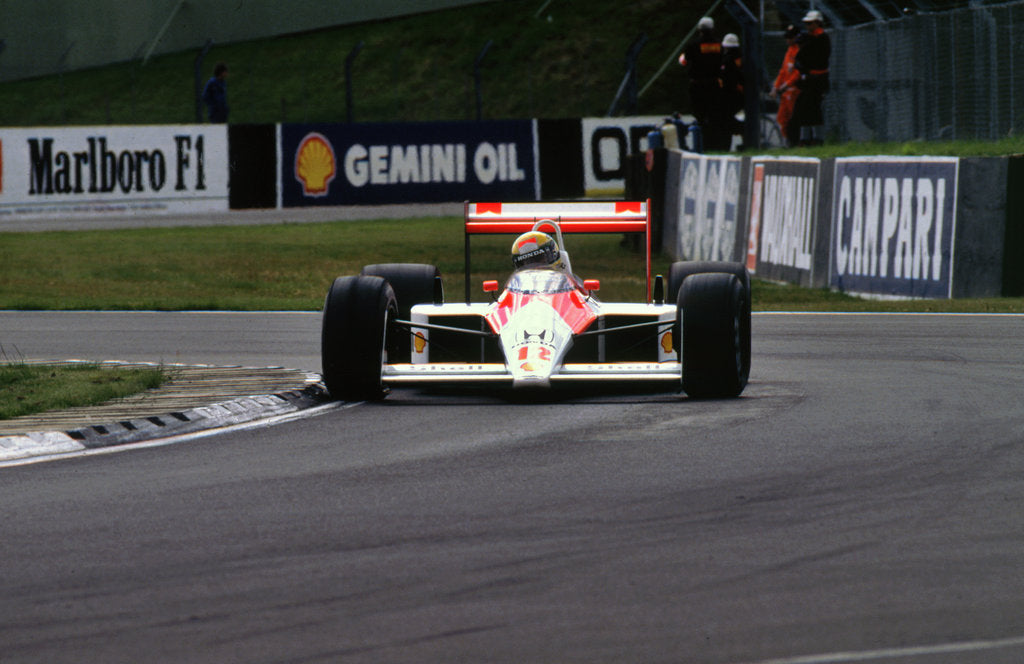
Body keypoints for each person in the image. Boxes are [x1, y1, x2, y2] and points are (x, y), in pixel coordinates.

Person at [679, 17, 722, 151]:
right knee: (714, 114)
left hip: (697, 85)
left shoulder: (693, 45)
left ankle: (702, 144)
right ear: (712, 29)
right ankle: (714, 144)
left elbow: (683, 61)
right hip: (714, 84)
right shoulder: (719, 45)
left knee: (699, 115)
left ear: (699, 30)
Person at [792, 10, 830, 145]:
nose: (807, 26)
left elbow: (814, 57)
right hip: (809, 78)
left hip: (817, 78)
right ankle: (805, 138)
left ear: (818, 23)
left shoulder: (822, 38)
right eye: (806, 24)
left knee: (814, 108)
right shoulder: (810, 38)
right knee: (803, 107)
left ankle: (817, 138)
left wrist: (803, 60)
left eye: (810, 23)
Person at [770, 24, 802, 146]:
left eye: (790, 37)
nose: (788, 40)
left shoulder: (799, 50)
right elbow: (783, 71)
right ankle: (789, 141)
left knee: (794, 119)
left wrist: (787, 84)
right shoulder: (789, 51)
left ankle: (795, 142)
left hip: (794, 90)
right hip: (785, 92)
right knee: (782, 118)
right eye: (787, 37)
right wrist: (776, 87)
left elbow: (798, 72)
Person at [716, 33, 745, 147]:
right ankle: (745, 138)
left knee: (726, 120)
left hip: (729, 95)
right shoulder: (743, 57)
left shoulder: (727, 60)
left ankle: (726, 144)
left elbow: (726, 77)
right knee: (739, 118)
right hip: (742, 93)